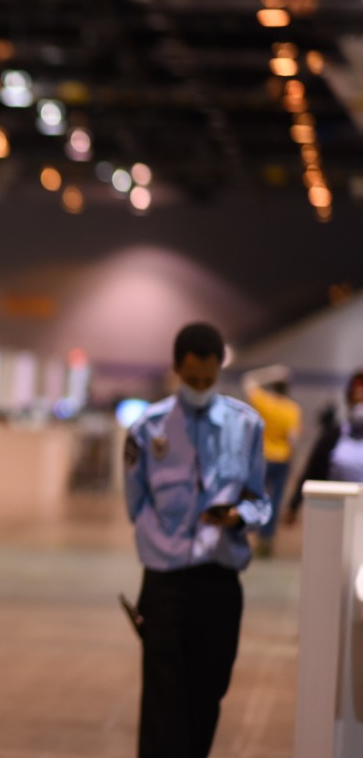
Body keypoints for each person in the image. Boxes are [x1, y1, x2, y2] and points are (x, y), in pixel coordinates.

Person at [123, 322, 272, 758]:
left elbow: (260, 500)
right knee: (163, 701)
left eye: (209, 380)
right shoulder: (147, 430)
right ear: (176, 369)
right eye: (192, 380)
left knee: (209, 693)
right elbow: (136, 502)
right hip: (166, 582)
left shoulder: (247, 426)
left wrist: (237, 516)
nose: (201, 388)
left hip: (220, 580)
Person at [286, 370, 363, 522]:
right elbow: (312, 469)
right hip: (336, 513)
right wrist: (294, 504)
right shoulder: (333, 436)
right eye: (357, 400)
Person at [240, 364, 301, 555]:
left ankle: (255, 532)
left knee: (258, 497)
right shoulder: (292, 410)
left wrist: (269, 372)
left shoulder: (265, 403)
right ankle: (267, 539)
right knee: (275, 500)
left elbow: (247, 381)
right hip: (282, 459)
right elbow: (293, 439)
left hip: (263, 458)